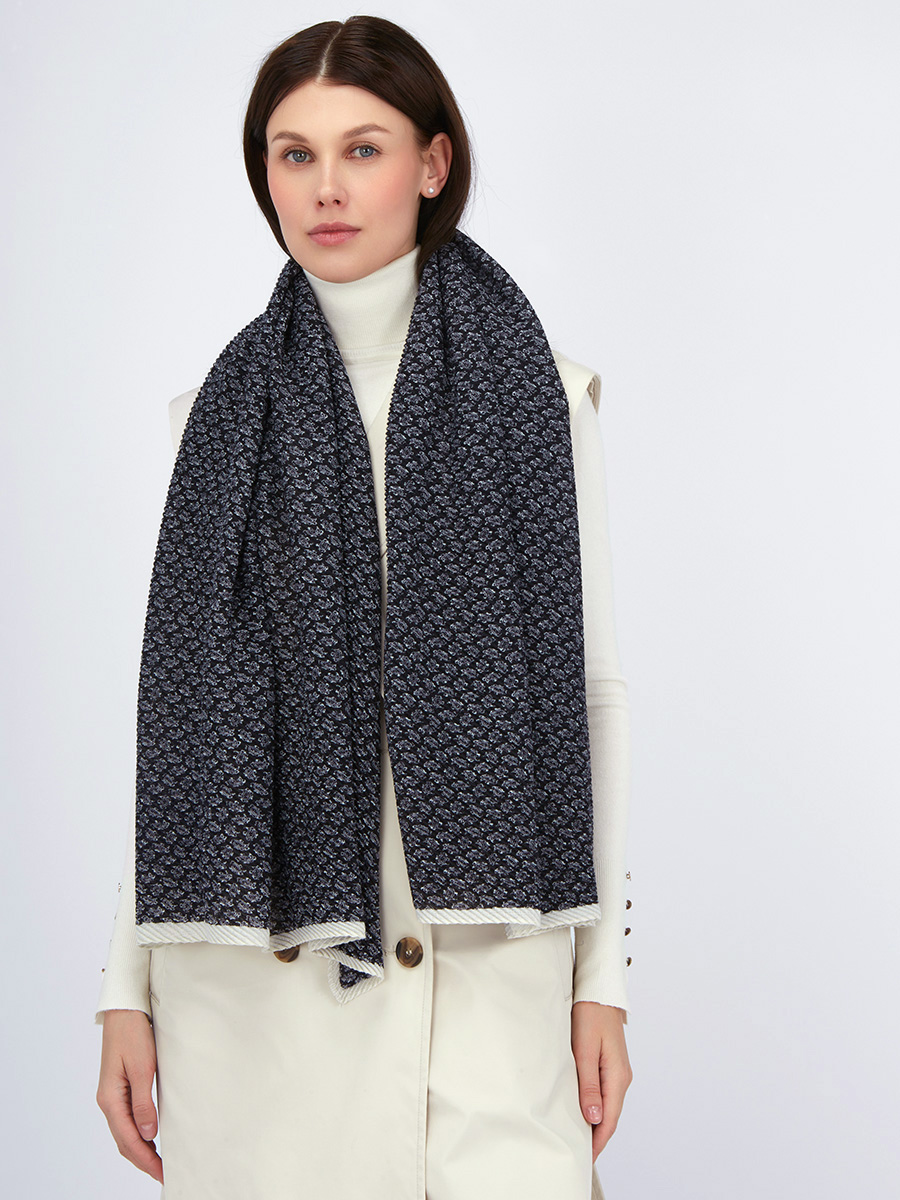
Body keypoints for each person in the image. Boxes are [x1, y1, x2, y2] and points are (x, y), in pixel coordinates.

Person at [95, 15, 633, 1200]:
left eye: (363, 150)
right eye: (295, 155)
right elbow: (176, 732)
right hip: (258, 1002)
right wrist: (122, 992)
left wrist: (606, 981)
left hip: (487, 971)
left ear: (432, 164)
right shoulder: (215, 422)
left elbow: (592, 699)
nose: (326, 189)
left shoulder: (543, 399)